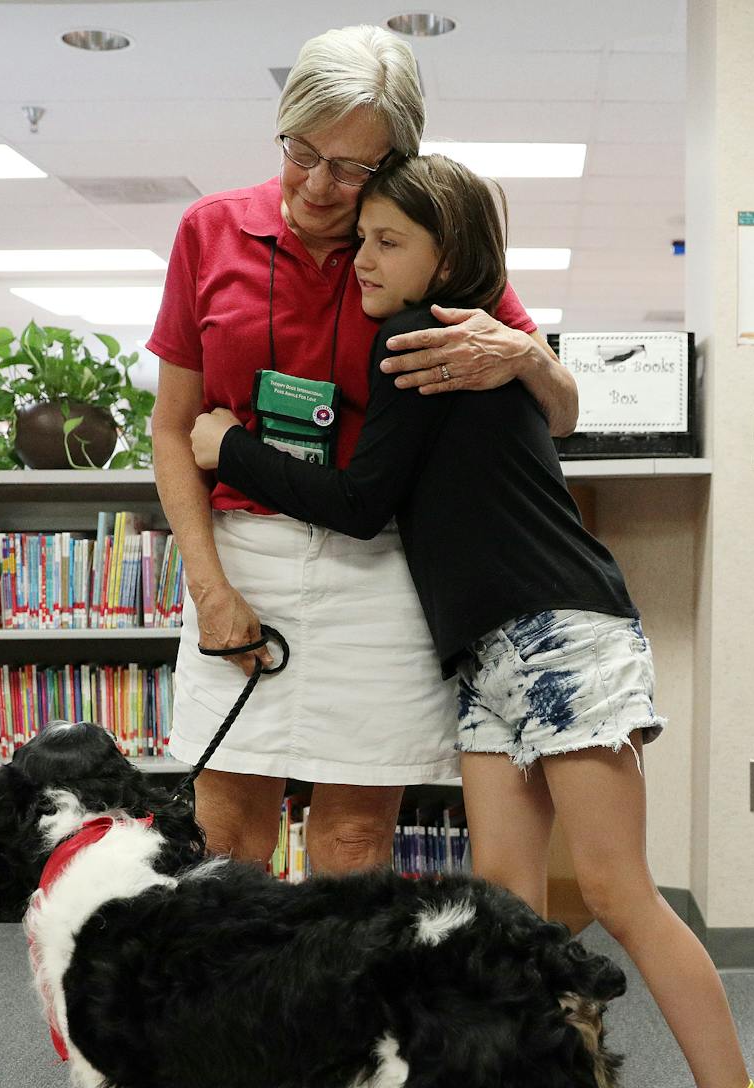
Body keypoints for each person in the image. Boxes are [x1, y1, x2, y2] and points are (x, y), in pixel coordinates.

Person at [189, 154, 754, 1088]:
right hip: (485, 658)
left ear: (448, 258)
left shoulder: (423, 339)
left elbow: (365, 501)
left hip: (562, 636)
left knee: (616, 894)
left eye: (390, 242)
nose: (364, 259)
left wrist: (223, 442)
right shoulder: (464, 337)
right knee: (508, 918)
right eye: (363, 238)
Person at [144, 24, 578, 875]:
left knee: (353, 840)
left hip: (378, 564)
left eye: (352, 168)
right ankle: (239, 1013)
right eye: (302, 151)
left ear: (397, 167)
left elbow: (560, 410)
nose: (317, 183)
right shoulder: (210, 232)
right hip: (242, 557)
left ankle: (334, 1011)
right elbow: (173, 427)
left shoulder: (419, 244)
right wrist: (208, 584)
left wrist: (525, 353)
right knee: (227, 839)